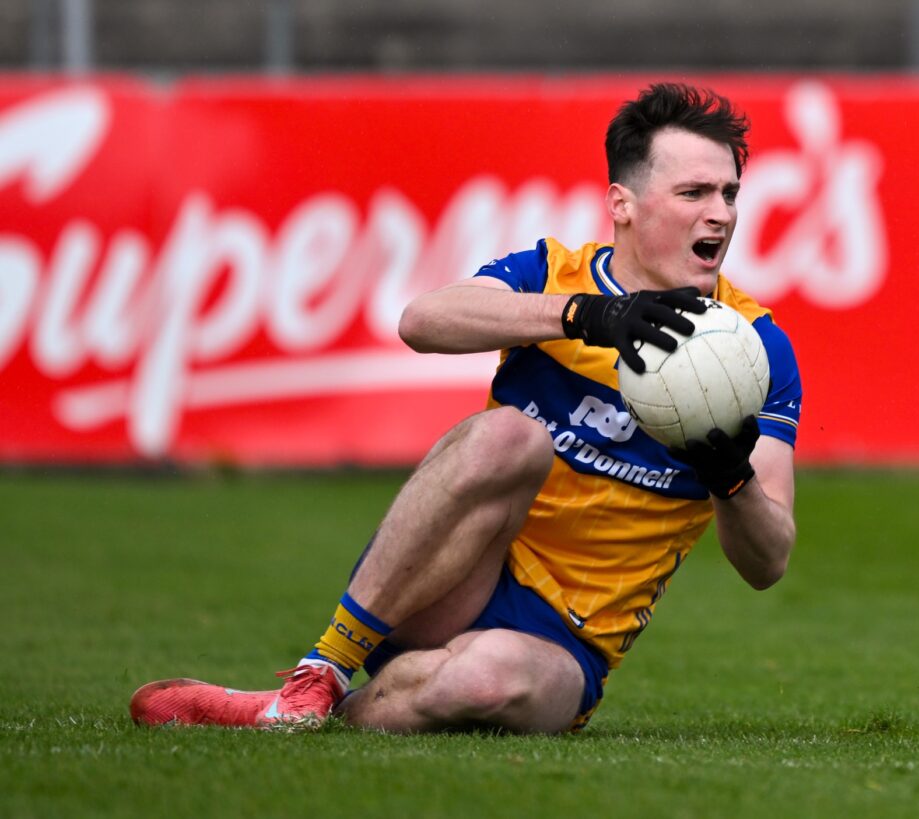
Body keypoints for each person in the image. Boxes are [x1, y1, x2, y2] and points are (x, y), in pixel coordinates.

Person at [130, 82, 801, 734]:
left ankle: (290, 713)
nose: (721, 213)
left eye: (729, 193)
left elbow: (768, 562)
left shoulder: (753, 349)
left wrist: (729, 479)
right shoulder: (554, 274)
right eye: (693, 192)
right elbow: (422, 321)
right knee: (509, 435)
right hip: (454, 577)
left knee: (481, 681)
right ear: (621, 204)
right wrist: (588, 315)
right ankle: (323, 669)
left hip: (567, 643)